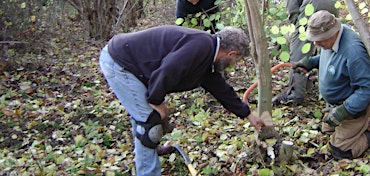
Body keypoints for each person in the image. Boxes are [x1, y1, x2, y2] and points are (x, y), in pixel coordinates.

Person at [98, 25, 265, 175]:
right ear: (231, 53)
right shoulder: (200, 47)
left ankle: (148, 150)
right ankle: (148, 169)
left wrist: (248, 114)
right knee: (150, 124)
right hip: (120, 63)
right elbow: (167, 71)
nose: (233, 64)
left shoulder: (207, 54)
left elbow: (220, 89)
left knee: (145, 119)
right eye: (236, 60)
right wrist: (157, 102)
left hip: (131, 63)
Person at [291, 10, 370, 159]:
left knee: (340, 150)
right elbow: (328, 57)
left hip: (353, 109)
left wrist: (344, 111)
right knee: (327, 130)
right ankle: (365, 125)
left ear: (332, 33)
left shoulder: (354, 50)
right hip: (337, 105)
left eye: (320, 39)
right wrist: (310, 63)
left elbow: (366, 89)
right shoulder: (331, 41)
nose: (316, 43)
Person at [268, 0, 339, 104]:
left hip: (314, 3)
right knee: (326, 45)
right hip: (332, 3)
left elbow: (292, 9)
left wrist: (295, 32)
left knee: (299, 46)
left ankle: (296, 93)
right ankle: (322, 83)